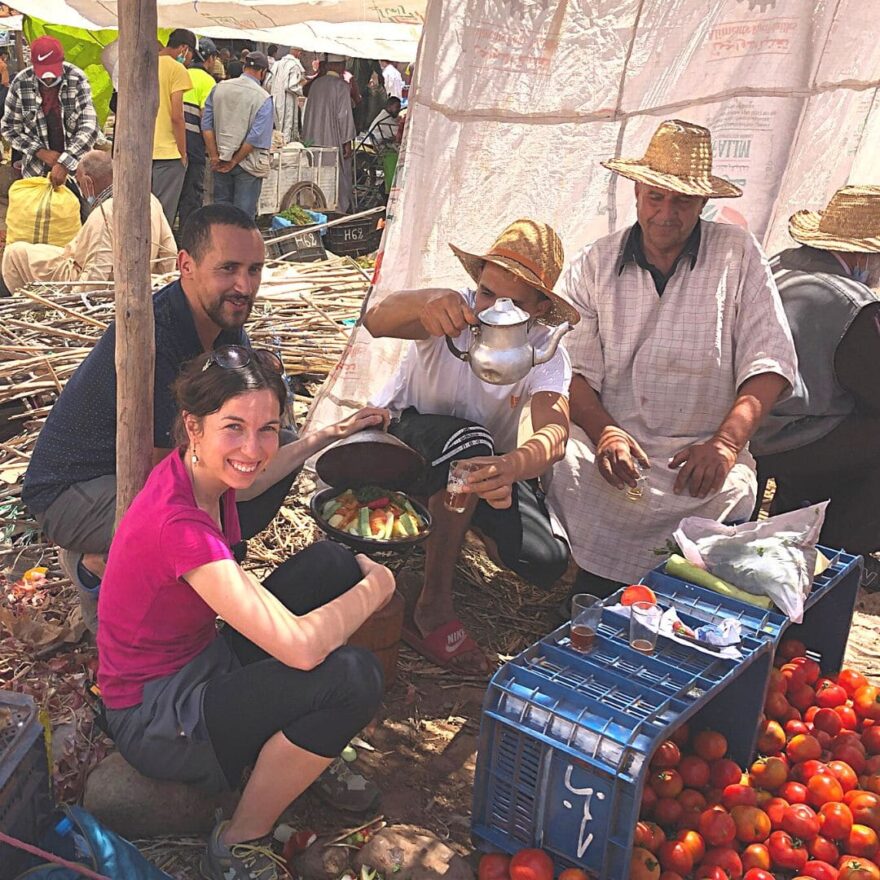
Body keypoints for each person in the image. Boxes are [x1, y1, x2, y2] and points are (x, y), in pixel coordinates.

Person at [97, 350, 394, 880]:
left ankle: (294, 758)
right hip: (159, 715)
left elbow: (257, 472)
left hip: (201, 660)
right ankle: (238, 839)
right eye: (234, 428)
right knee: (353, 676)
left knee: (330, 562)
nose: (252, 449)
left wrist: (332, 433)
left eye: (268, 429)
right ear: (194, 426)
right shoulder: (178, 525)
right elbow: (302, 647)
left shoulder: (204, 475)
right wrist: (381, 586)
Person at [546, 119, 798, 598]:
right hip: (619, 445)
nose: (666, 212)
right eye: (656, 196)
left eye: (682, 201)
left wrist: (725, 444)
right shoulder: (595, 263)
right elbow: (570, 371)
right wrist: (604, 432)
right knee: (569, 461)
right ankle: (597, 586)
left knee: (734, 486)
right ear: (637, 193)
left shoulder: (737, 253)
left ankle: (675, 594)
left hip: (700, 449)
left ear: (703, 204)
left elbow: (770, 361)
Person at [21, 205, 301, 631]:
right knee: (216, 495)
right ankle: (100, 568)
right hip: (74, 492)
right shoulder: (153, 335)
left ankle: (148, 562)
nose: (244, 285)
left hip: (133, 476)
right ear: (185, 265)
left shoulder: (223, 323)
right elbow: (160, 460)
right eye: (228, 268)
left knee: (275, 445)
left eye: (254, 269)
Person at [364, 219, 578, 673]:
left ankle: (447, 522)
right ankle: (432, 605)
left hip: (480, 465)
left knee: (544, 561)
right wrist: (423, 302)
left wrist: (514, 466)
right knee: (470, 443)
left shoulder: (544, 350)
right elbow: (375, 320)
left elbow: (554, 434)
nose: (491, 310)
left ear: (540, 308)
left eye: (515, 303)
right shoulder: (449, 313)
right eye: (486, 293)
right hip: (407, 438)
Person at [750, 185, 880, 561]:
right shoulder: (852, 302)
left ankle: (793, 516)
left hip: (748, 419)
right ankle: (837, 547)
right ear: (862, 252)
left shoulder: (777, 263)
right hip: (786, 435)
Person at [1, 150, 176, 294]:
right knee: (37, 251)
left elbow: (96, 275)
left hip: (98, 282)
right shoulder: (149, 198)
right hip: (141, 277)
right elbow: (169, 252)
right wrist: (162, 286)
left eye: (78, 182)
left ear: (88, 182)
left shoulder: (106, 213)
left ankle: (19, 304)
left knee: (15, 254)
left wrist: (75, 302)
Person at [1, 36, 98, 185]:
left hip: (78, 170)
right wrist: (40, 152)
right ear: (32, 64)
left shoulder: (76, 78)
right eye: (43, 72)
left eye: (52, 71)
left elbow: (89, 126)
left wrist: (65, 161)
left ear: (62, 60)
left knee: (80, 207)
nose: (48, 78)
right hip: (35, 171)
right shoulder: (21, 83)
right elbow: (9, 128)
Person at [202, 52, 273, 219]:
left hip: (220, 160)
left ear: (244, 67)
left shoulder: (219, 88)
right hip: (248, 164)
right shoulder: (263, 97)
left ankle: (221, 245)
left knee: (221, 216)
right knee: (242, 219)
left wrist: (214, 156)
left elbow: (206, 125)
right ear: (262, 72)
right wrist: (235, 161)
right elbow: (255, 137)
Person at [151, 29, 195, 224]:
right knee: (162, 217)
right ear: (184, 48)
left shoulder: (146, 64)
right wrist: (183, 152)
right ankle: (159, 254)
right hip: (168, 154)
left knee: (142, 213)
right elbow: (177, 116)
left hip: (141, 152)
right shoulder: (177, 70)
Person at [302, 54, 356, 212]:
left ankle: (315, 205)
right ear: (341, 66)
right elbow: (344, 116)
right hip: (332, 139)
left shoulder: (315, 84)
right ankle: (336, 210)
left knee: (316, 173)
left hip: (313, 137)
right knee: (335, 174)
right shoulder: (341, 86)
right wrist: (347, 142)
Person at [178, 40, 217, 230]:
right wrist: (213, 153)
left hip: (172, 142)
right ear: (209, 59)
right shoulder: (208, 81)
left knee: (173, 192)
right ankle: (187, 237)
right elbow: (206, 121)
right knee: (191, 195)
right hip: (193, 144)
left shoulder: (180, 72)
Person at [266, 46, 305, 143]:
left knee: (276, 130)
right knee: (287, 130)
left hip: (275, 100)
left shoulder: (277, 64)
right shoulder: (294, 65)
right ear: (299, 53)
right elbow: (291, 86)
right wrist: (302, 84)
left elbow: (268, 83)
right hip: (287, 102)